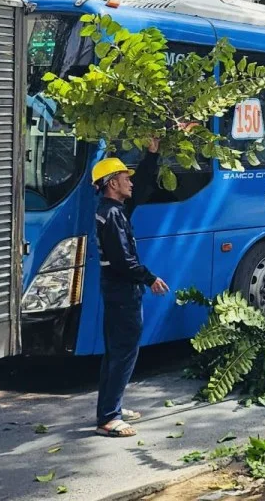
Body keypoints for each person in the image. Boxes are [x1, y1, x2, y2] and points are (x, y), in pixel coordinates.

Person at [92, 141, 169, 438]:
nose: (130, 183)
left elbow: (144, 182)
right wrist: (149, 278)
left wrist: (152, 154)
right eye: (125, 179)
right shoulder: (111, 216)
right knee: (123, 352)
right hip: (122, 291)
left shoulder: (114, 209)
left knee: (115, 352)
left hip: (117, 290)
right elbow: (123, 261)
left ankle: (112, 406)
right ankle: (109, 417)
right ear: (112, 184)